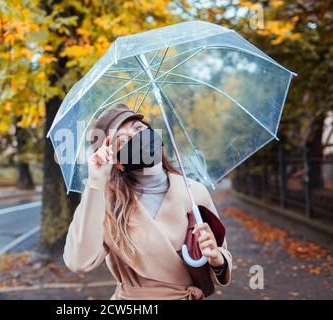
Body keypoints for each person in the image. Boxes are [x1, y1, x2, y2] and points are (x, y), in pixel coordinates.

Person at [63, 103, 232, 300]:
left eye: (139, 129)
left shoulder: (194, 192)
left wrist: (217, 259)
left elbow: (221, 259)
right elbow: (79, 261)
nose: (136, 137)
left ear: (156, 138)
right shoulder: (108, 202)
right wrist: (95, 183)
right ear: (117, 162)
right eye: (124, 139)